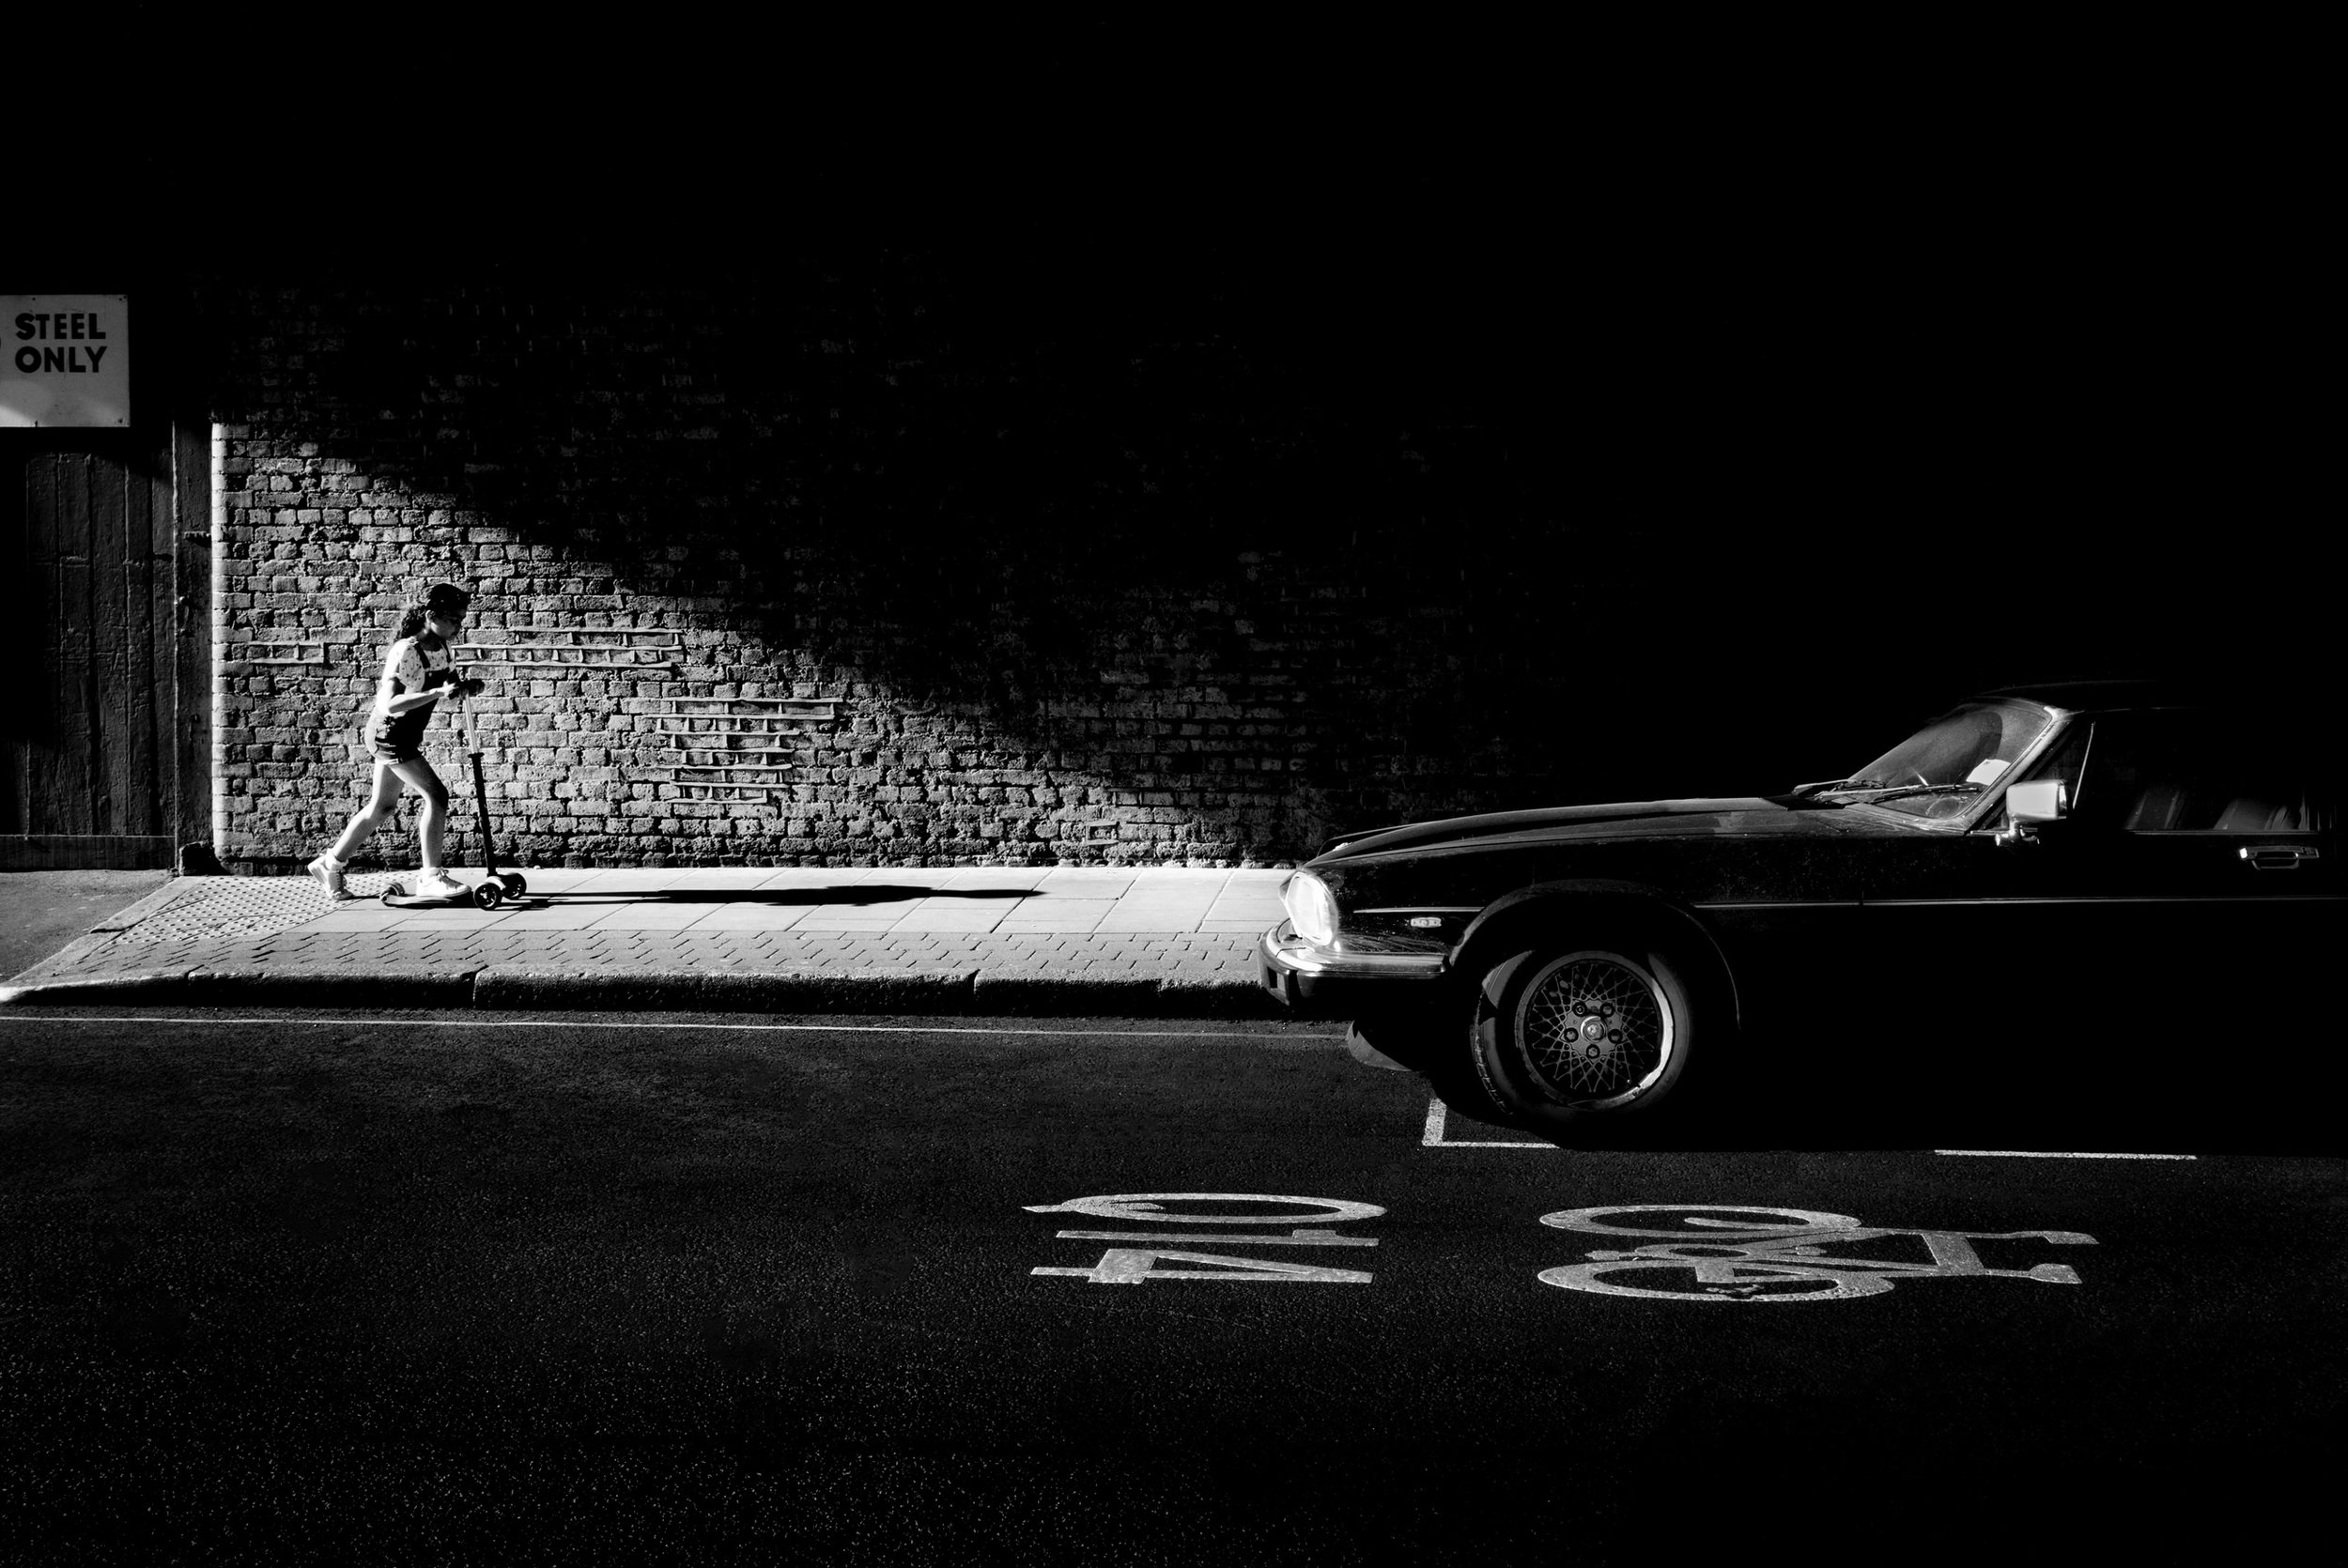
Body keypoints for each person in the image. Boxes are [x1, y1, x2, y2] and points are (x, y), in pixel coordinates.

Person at [307, 583, 487, 899]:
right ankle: (430, 877)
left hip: (404, 735)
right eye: (454, 620)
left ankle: (330, 863)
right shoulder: (406, 650)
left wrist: (463, 687)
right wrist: (436, 693)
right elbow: (389, 704)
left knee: (382, 806)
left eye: (461, 620)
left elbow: (448, 684)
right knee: (437, 795)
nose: (459, 627)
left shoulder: (443, 648)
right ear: (431, 615)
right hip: (389, 734)